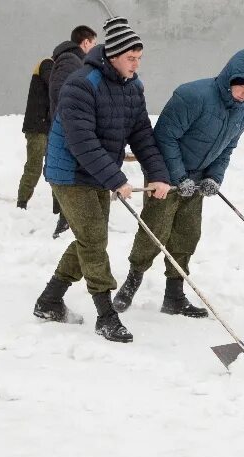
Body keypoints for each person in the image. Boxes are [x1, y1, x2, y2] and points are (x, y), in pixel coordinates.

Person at [33, 16, 171, 343]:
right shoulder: (81, 84)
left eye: (139, 59)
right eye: (130, 58)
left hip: (97, 171)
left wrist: (159, 175)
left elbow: (142, 136)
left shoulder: (133, 87)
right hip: (68, 172)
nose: (136, 65)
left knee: (90, 238)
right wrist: (115, 177)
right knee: (94, 239)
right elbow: (81, 141)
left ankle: (49, 300)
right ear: (113, 56)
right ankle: (105, 315)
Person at [112, 49, 244, 318]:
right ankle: (131, 284)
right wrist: (178, 177)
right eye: (241, 85)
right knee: (155, 230)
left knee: (187, 234)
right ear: (229, 78)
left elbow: (228, 147)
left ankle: (174, 297)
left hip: (197, 179)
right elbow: (165, 138)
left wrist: (213, 178)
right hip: (165, 176)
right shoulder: (193, 96)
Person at [49, 25, 98, 238]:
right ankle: (64, 220)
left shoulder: (74, 60)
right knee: (68, 173)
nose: (94, 49)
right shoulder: (71, 60)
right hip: (67, 128)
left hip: (68, 126)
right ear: (85, 42)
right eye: (93, 44)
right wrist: (73, 118)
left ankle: (65, 218)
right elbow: (61, 93)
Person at [16, 48, 54, 209]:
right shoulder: (47, 63)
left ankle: (58, 207)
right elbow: (53, 83)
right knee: (34, 166)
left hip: (49, 126)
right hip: (38, 127)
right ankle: (21, 203)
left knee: (54, 167)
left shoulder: (50, 65)